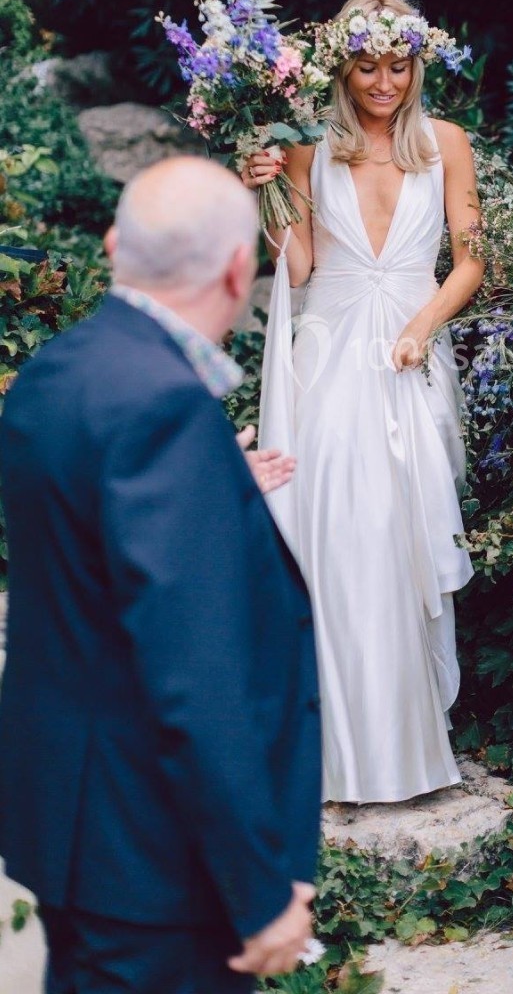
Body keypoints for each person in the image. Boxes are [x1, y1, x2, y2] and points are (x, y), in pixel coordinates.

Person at [0, 157, 322, 994]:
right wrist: (258, 891)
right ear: (236, 270)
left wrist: (217, 494)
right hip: (153, 857)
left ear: (115, 246)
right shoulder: (165, 410)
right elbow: (193, 678)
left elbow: (89, 558)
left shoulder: (56, 373)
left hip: (75, 834)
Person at [242, 0, 484, 804]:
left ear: (418, 63)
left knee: (400, 538)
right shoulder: (311, 149)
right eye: (367, 65)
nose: (384, 82)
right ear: (342, 67)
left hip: (411, 353)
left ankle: (408, 745)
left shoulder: (447, 143)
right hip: (333, 357)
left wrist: (421, 328)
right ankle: (338, 751)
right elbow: (302, 268)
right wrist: (267, 193)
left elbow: (471, 263)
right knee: (337, 538)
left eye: (398, 64)